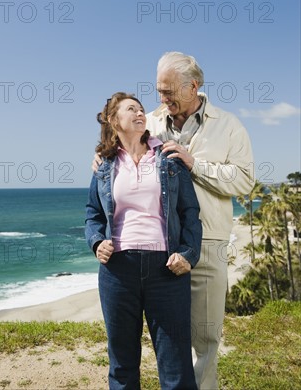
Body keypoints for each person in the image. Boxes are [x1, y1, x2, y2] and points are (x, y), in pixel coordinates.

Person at [146, 52, 254, 390]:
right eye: (159, 91)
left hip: (209, 244)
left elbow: (244, 180)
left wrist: (196, 165)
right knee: (166, 336)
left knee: (206, 339)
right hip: (158, 244)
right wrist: (98, 156)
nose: (162, 100)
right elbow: (118, 155)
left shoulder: (230, 125)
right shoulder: (148, 122)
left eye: (169, 92)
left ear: (193, 86)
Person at [85, 92, 202, 390]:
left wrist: (188, 253)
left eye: (140, 109)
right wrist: (97, 242)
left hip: (166, 268)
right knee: (122, 363)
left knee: (175, 362)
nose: (139, 113)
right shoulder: (105, 165)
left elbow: (189, 211)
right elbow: (93, 213)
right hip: (117, 270)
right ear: (114, 121)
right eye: (131, 109)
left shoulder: (167, 157)